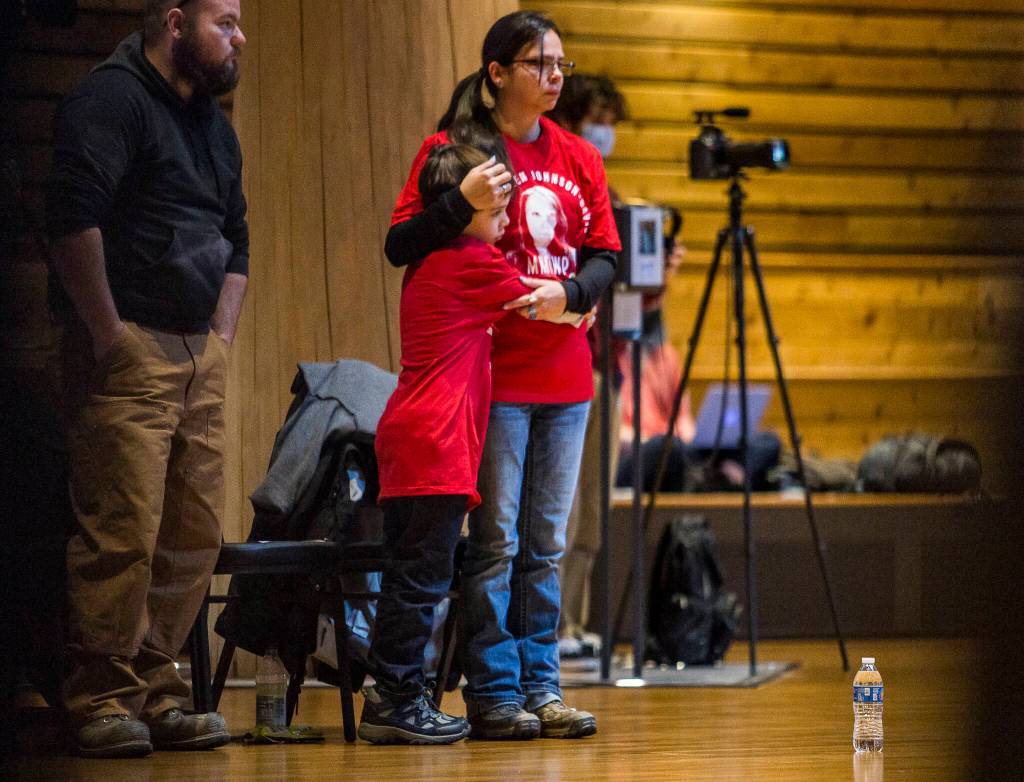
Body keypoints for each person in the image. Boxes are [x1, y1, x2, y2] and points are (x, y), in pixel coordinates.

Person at [385, 11, 620, 740]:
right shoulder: (454, 151)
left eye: (561, 65)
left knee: (546, 547)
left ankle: (543, 688)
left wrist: (574, 296)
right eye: (538, 64)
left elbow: (606, 255)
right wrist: (462, 204)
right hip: (500, 381)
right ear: (497, 73)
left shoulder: (579, 156)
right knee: (496, 545)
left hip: (568, 382)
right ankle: (494, 693)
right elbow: (402, 243)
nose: (555, 76)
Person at [45, 0, 248, 758]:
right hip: (131, 350)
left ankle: (158, 687)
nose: (238, 37)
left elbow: (238, 242)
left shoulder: (212, 125)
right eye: (225, 21)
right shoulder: (111, 98)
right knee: (122, 531)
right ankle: (100, 695)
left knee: (191, 536)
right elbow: (71, 220)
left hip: (201, 354)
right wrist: (110, 337)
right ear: (174, 22)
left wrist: (220, 346)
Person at [357, 144, 532, 745]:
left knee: (409, 575)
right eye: (497, 208)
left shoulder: (432, 260)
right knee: (421, 580)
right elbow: (537, 302)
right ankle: (395, 700)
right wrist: (576, 307)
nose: (506, 220)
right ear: (464, 211)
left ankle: (392, 694)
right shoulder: (470, 261)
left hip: (410, 441)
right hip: (436, 448)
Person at [546, 72, 630, 659]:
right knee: (566, 506)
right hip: (571, 361)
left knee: (595, 509)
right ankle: (547, 630)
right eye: (599, 117)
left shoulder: (611, 196)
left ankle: (573, 624)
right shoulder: (564, 191)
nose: (607, 131)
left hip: (612, 364)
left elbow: (623, 290)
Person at [616, 254, 782, 492]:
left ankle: (722, 479)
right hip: (637, 452)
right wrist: (659, 439)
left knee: (767, 443)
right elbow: (611, 431)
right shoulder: (611, 355)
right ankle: (712, 477)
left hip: (678, 446)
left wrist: (699, 438)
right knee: (665, 448)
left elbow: (682, 415)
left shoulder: (666, 354)